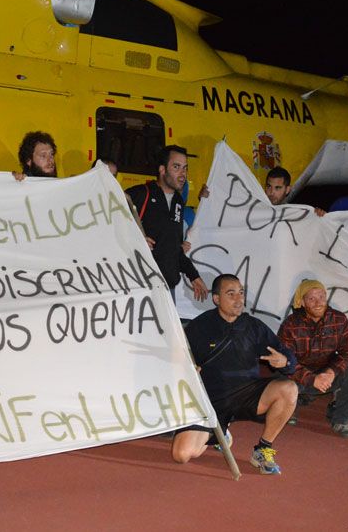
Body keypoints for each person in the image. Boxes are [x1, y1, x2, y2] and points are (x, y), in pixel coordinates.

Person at [172, 275, 298, 474]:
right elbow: (178, 360)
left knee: (289, 389)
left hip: (247, 394)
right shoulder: (199, 327)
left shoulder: (254, 327)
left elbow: (288, 357)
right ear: (216, 299)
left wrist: (286, 361)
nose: (238, 299)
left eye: (241, 293)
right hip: (211, 400)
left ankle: (264, 448)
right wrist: (188, 369)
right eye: (230, 294)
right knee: (182, 455)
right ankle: (222, 430)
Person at [276, 279, 348, 438]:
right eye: (311, 299)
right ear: (302, 302)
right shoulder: (290, 325)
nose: (318, 303)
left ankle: (342, 420)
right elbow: (286, 360)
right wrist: (311, 378)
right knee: (283, 371)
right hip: (298, 375)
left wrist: (331, 372)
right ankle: (290, 409)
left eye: (322, 297)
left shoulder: (339, 319)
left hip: (326, 374)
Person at [125, 145, 208, 302]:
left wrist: (193, 275)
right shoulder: (141, 193)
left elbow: (174, 249)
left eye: (185, 168)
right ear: (162, 170)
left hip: (168, 290)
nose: (183, 174)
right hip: (140, 289)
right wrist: (136, 237)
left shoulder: (177, 202)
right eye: (176, 167)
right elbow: (108, 223)